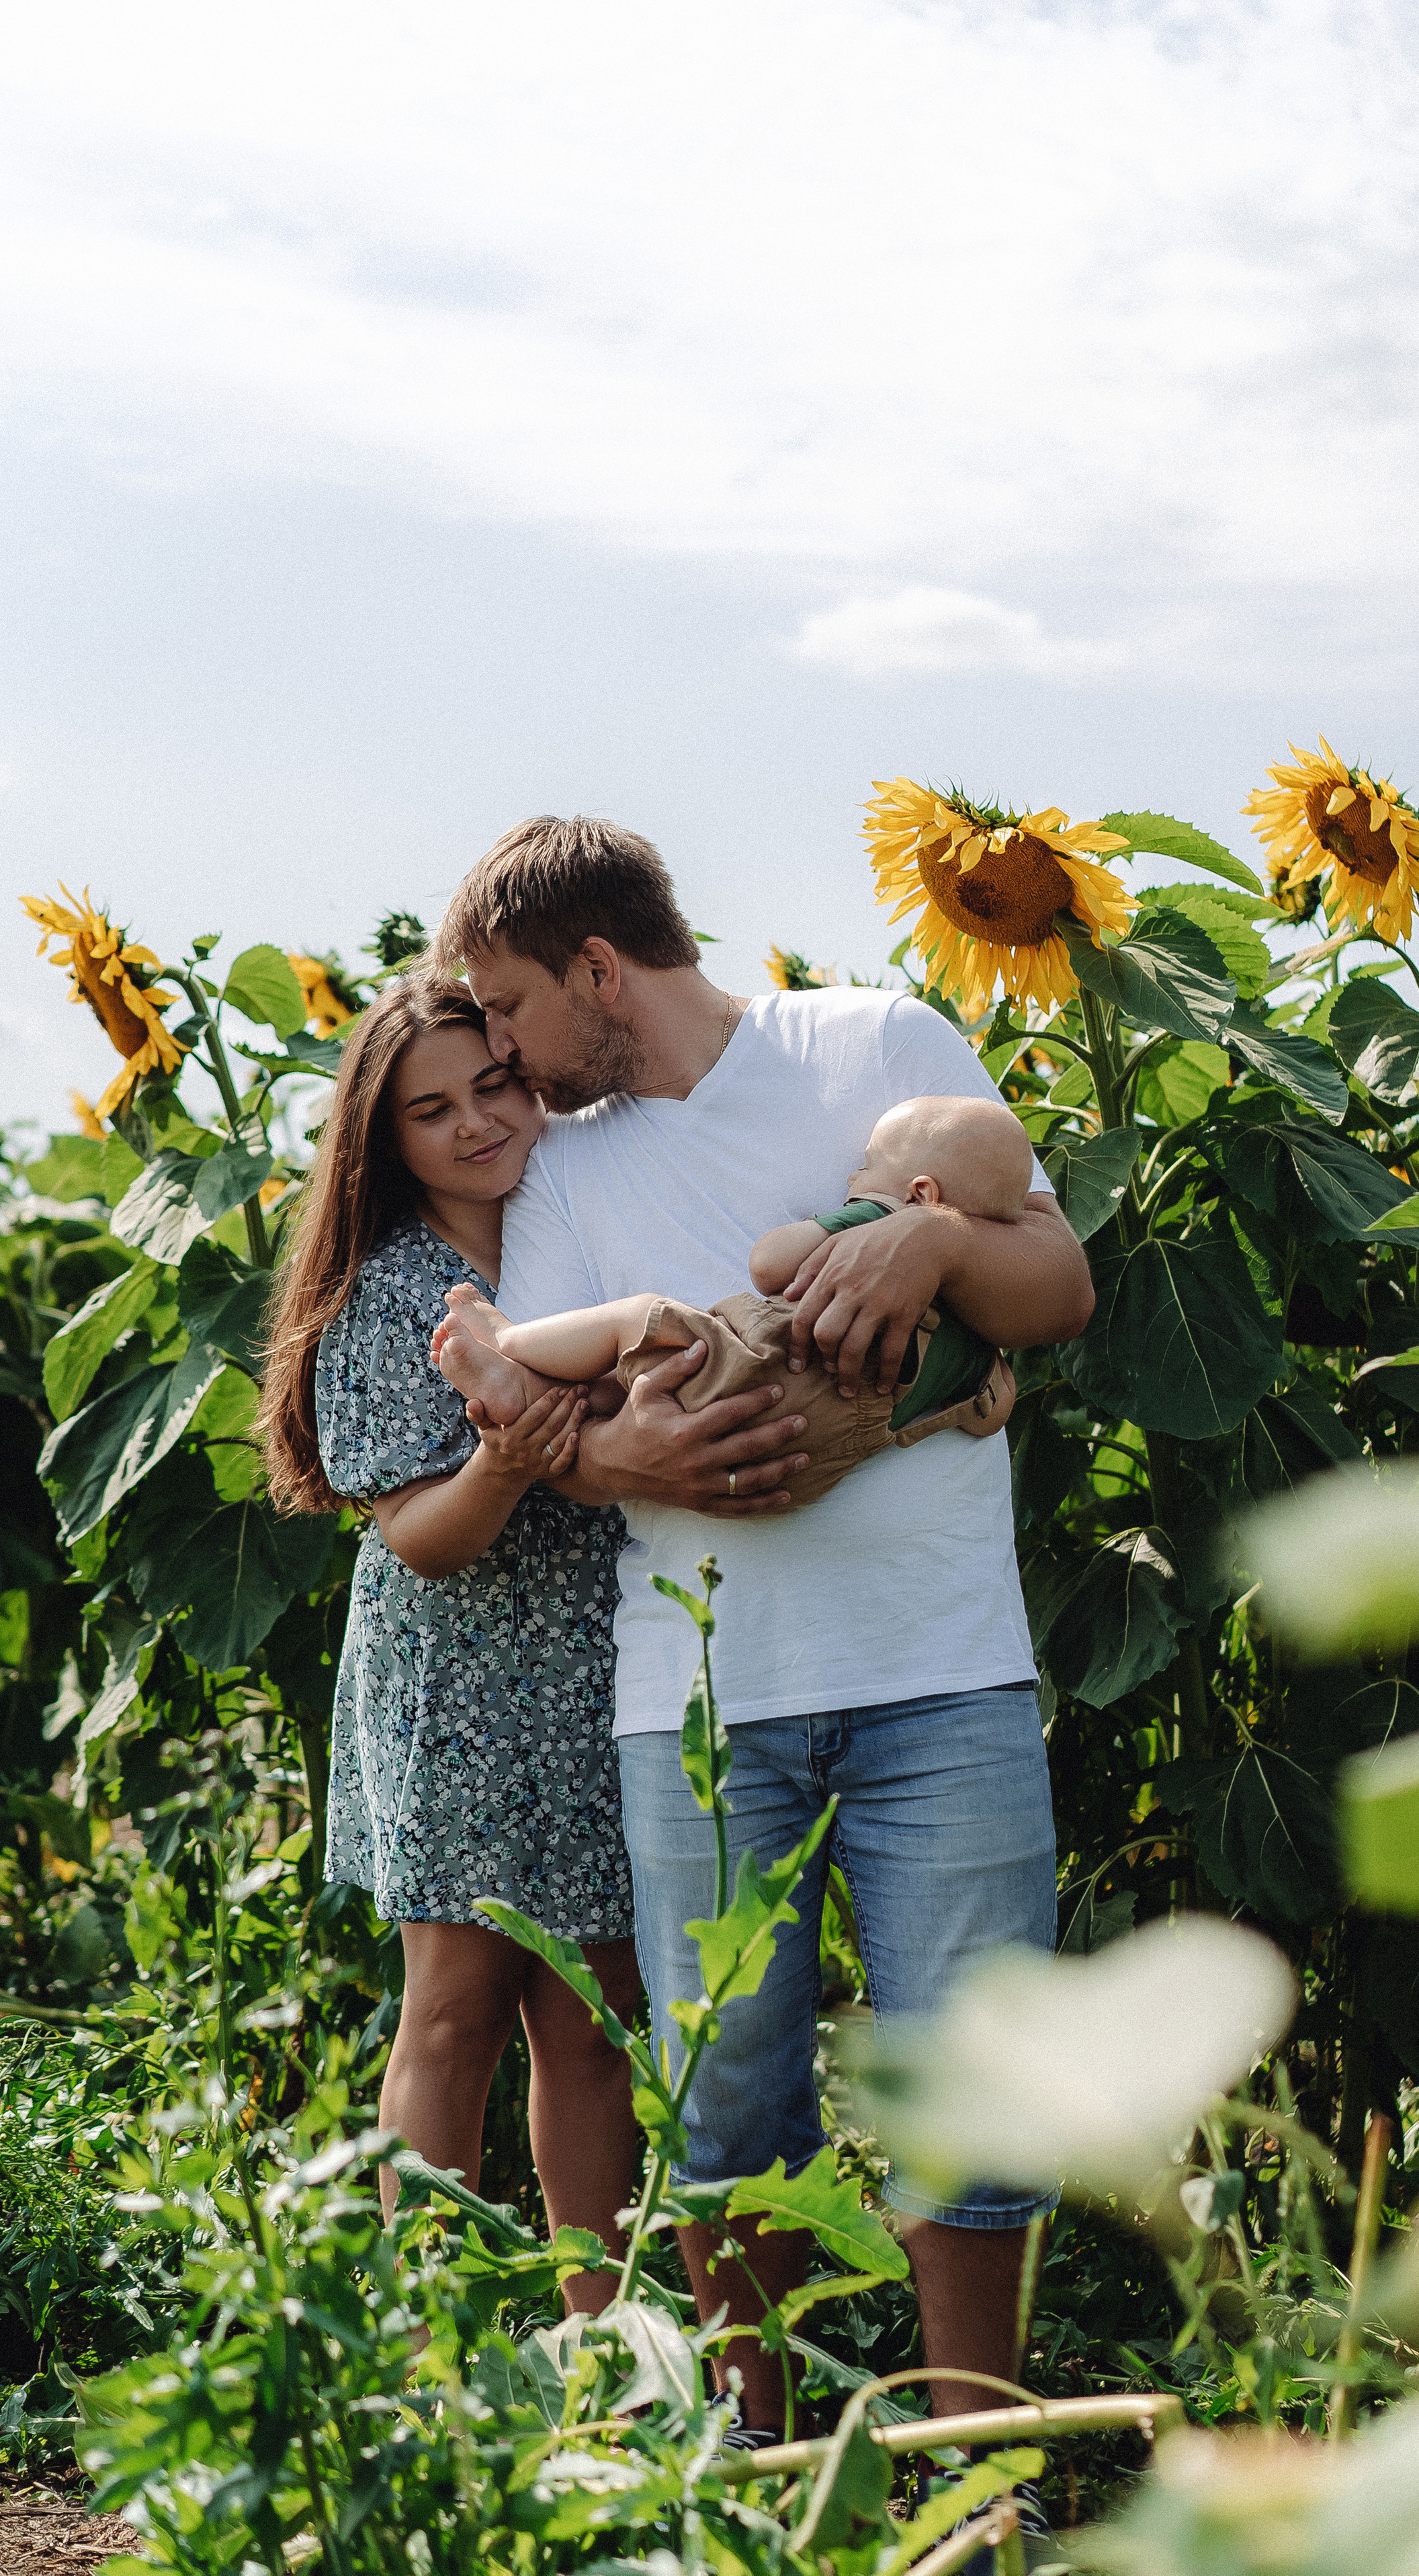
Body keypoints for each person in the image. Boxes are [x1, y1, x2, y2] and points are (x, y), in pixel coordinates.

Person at [427, 813, 1094, 2431]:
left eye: (509, 1006)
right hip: (700, 1692)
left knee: (969, 2085)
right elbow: (543, 1412)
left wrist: (933, 1235)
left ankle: (973, 2467)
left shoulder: (875, 1043)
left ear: (597, 967)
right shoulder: (567, 1164)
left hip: (941, 1664)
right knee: (725, 2100)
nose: (500, 1050)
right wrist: (626, 1458)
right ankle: (765, 2453)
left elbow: (1058, 1290)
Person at [258, 976, 641, 2311]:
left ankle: (600, 2339)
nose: (477, 1121)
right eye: (433, 1108)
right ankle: (435, 2350)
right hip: (457, 1674)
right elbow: (416, 1535)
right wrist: (505, 1462)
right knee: (457, 2004)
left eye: (494, 1083)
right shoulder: (391, 1288)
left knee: (593, 2015)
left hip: (597, 1666)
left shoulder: (575, 1236)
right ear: (387, 1137)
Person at [429, 1091, 1029, 1511]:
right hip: (805, 1462)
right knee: (632, 1382)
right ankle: (527, 1391)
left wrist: (829, 1224)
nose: (853, 1177)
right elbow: (991, 1411)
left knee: (640, 1322)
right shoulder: (972, 1330)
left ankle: (509, 1345)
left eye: (868, 1165)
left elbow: (768, 1264)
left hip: (768, 1370)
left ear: (921, 1193)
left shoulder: (885, 1222)